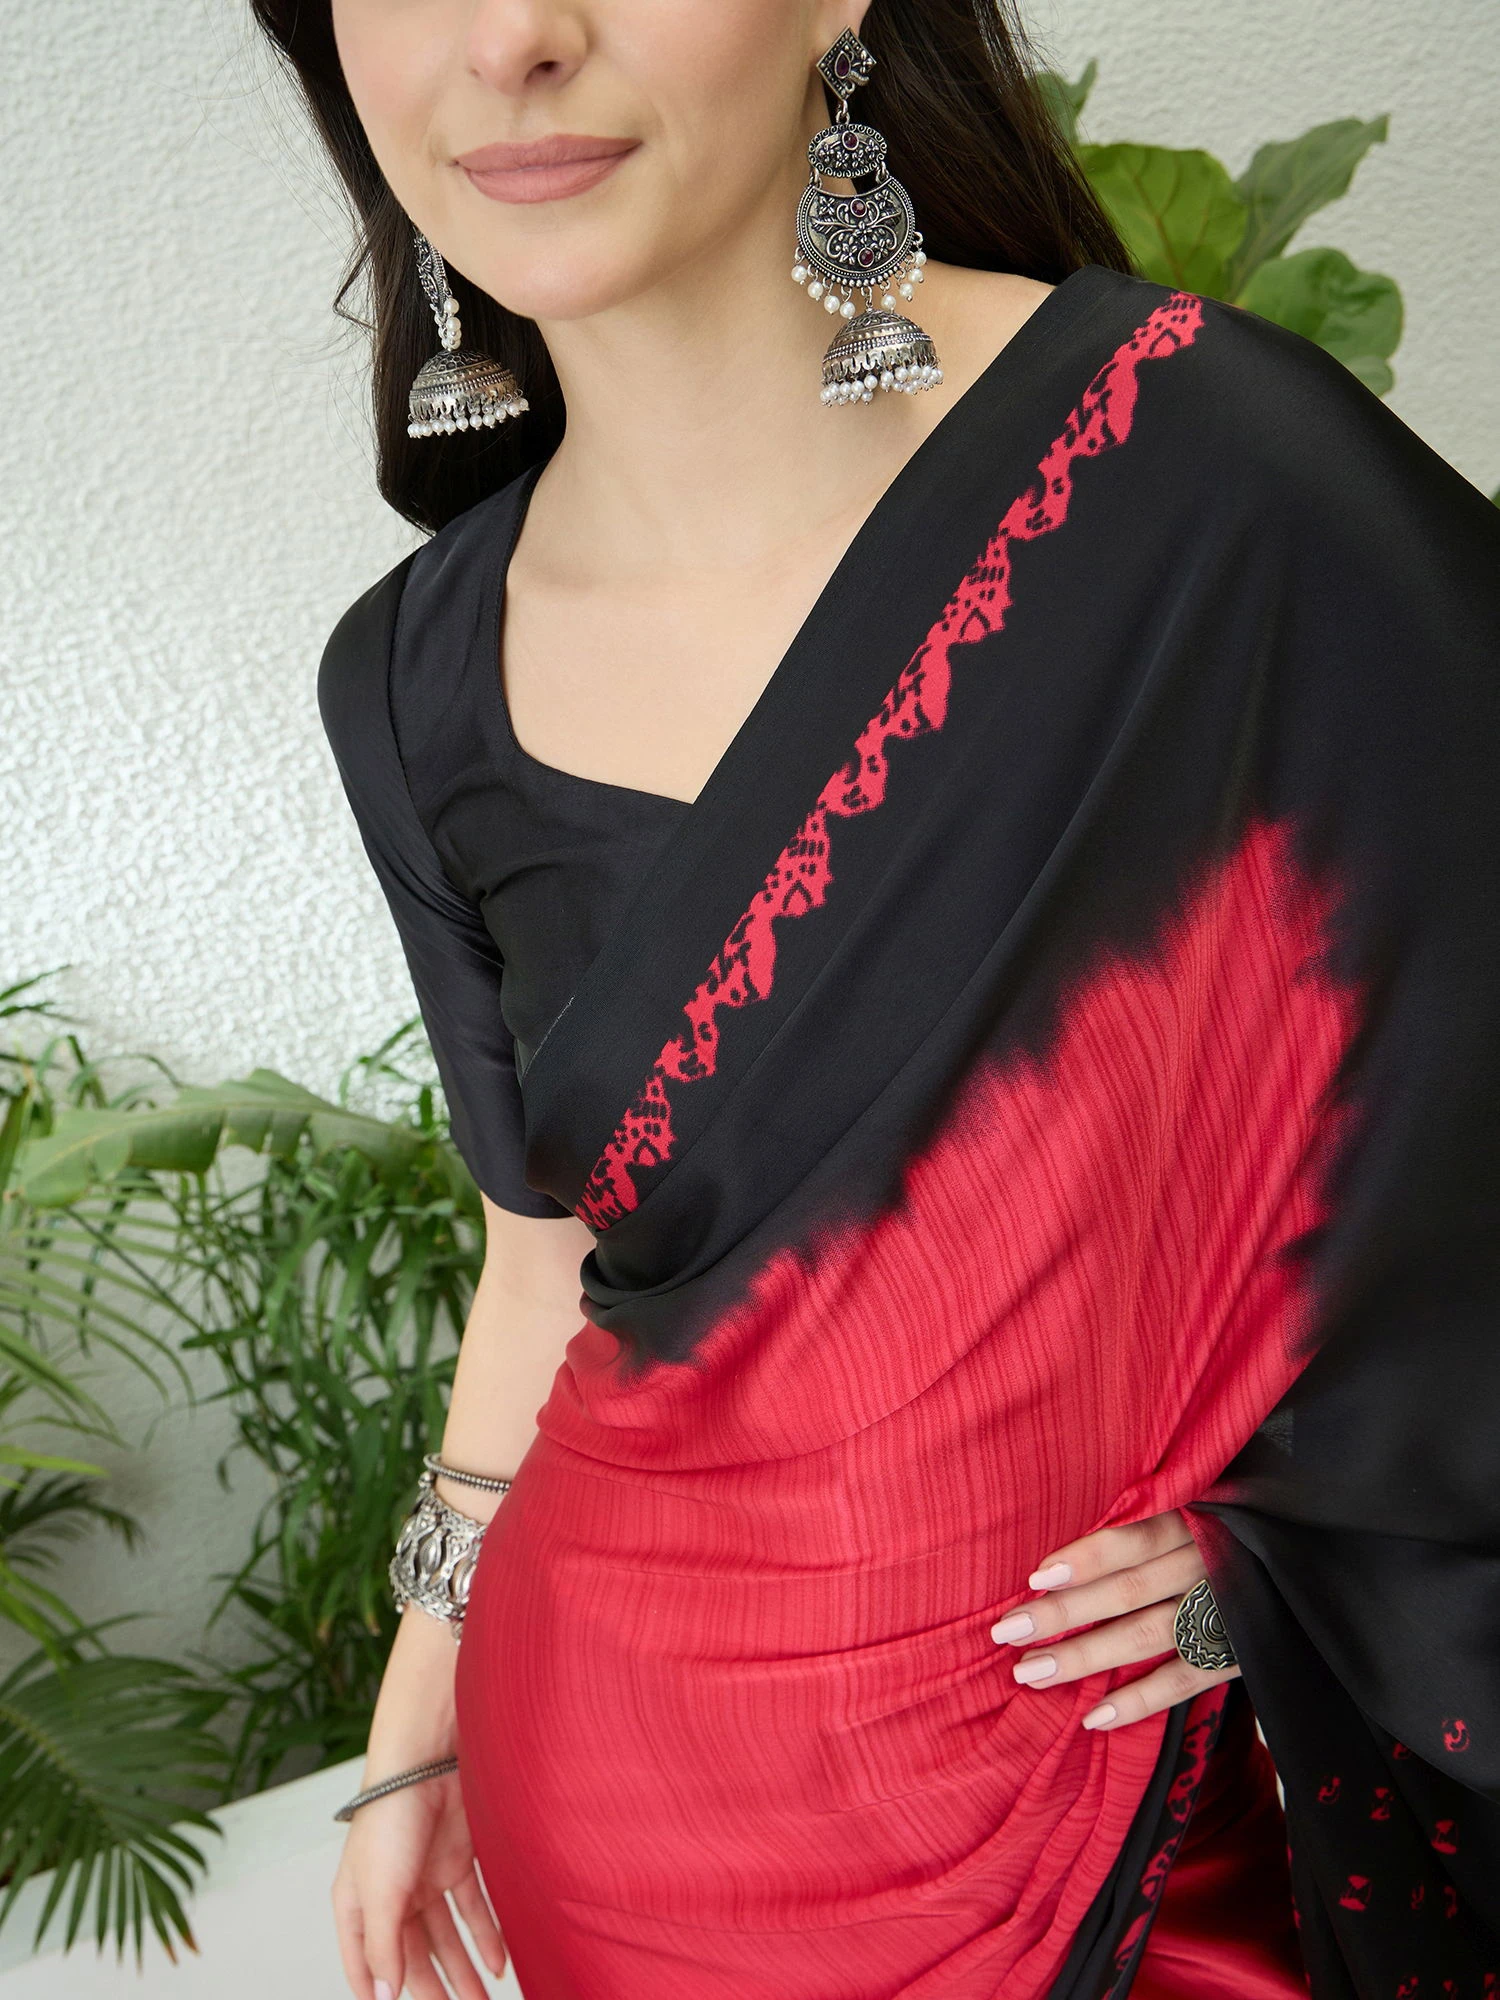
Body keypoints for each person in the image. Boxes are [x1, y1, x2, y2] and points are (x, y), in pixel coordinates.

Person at [256, 1, 1500, 1994]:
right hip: (615, 1810)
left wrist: (1290, 1573)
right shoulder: (408, 678)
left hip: (1100, 1810)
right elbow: (540, 1261)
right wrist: (418, 1720)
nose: (514, 37)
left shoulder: (1207, 482)